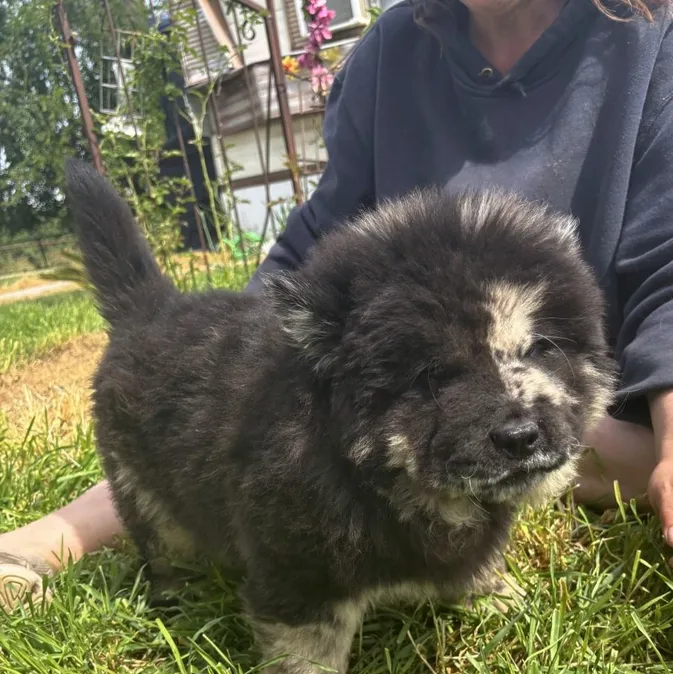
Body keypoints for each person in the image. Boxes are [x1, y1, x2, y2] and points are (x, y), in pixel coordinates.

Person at [2, 0, 673, 612]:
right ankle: (82, 525)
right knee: (285, 421)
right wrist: (206, 375)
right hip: (418, 393)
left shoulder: (652, 39)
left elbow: (665, 275)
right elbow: (318, 244)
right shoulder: (391, 50)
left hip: (597, 410)